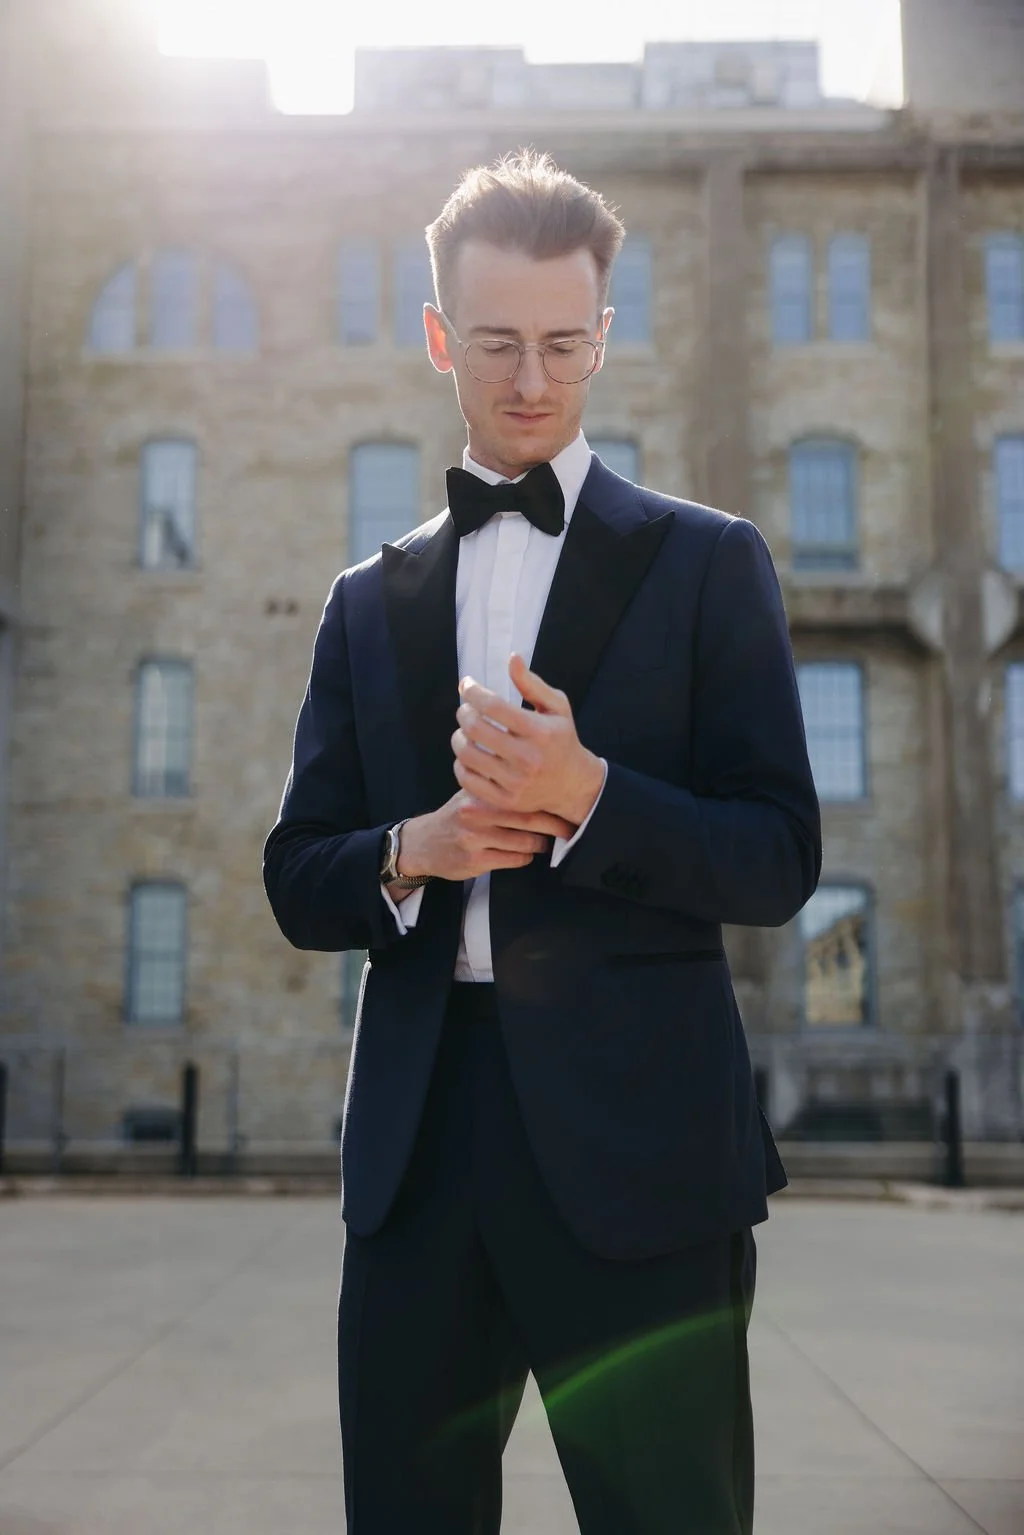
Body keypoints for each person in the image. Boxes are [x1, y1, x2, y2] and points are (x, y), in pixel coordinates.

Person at [263, 148, 821, 1535]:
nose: (532, 379)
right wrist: (419, 846)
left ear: (604, 337)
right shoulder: (362, 602)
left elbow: (778, 854)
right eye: (500, 343)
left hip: (646, 1157)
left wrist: (590, 795)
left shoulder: (710, 564)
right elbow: (297, 872)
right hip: (419, 1155)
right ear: (442, 336)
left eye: (565, 345)